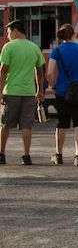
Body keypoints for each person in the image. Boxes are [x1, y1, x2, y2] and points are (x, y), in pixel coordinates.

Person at [47, 24, 78, 166]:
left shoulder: (57, 51)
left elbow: (50, 72)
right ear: (73, 35)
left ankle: (58, 155)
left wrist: (53, 85)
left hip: (62, 92)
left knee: (62, 123)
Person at [0, 20, 45, 165]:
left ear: (16, 30)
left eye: (8, 32)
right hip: (29, 92)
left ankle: (1, 154)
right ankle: (26, 156)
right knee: (27, 126)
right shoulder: (34, 47)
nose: (7, 36)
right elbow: (39, 72)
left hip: (11, 91)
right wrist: (40, 90)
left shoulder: (8, 47)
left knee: (5, 124)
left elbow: (3, 71)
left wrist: (0, 91)